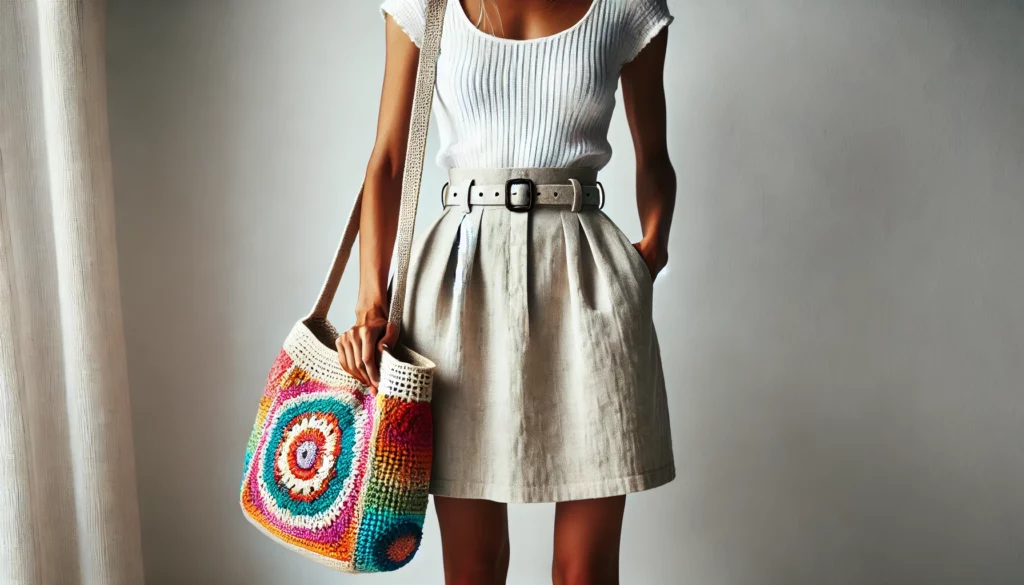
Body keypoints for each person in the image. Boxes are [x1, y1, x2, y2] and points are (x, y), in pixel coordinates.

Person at [338, 0, 677, 582]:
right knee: (472, 570)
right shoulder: (425, 4)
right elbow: (388, 159)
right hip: (456, 283)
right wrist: (370, 303)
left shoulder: (627, 5)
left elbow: (655, 156)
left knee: (586, 572)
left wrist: (648, 256)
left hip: (586, 279)